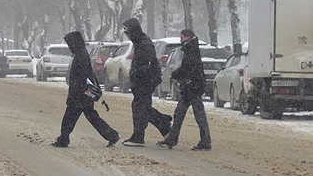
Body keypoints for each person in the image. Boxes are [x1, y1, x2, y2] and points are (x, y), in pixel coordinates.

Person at [51, 31, 120, 148]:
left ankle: (64, 139)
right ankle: (112, 135)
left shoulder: (81, 55)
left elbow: (83, 76)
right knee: (91, 117)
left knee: (69, 118)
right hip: (83, 93)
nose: (69, 46)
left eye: (70, 43)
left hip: (80, 94)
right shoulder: (81, 53)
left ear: (74, 42)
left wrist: (77, 91)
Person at [158, 29, 212, 151]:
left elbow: (188, 68)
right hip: (191, 86)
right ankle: (172, 139)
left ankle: (205, 142)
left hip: (192, 86)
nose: (180, 40)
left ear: (188, 37)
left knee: (197, 115)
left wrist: (176, 74)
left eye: (182, 38)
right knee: (181, 113)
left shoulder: (191, 50)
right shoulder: (191, 48)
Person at [121, 17, 172, 146]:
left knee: (140, 108)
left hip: (144, 82)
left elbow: (148, 64)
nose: (127, 36)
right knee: (143, 109)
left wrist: (139, 76)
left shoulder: (144, 44)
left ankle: (139, 137)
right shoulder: (140, 42)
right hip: (142, 82)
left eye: (128, 33)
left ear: (133, 31)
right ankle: (164, 127)